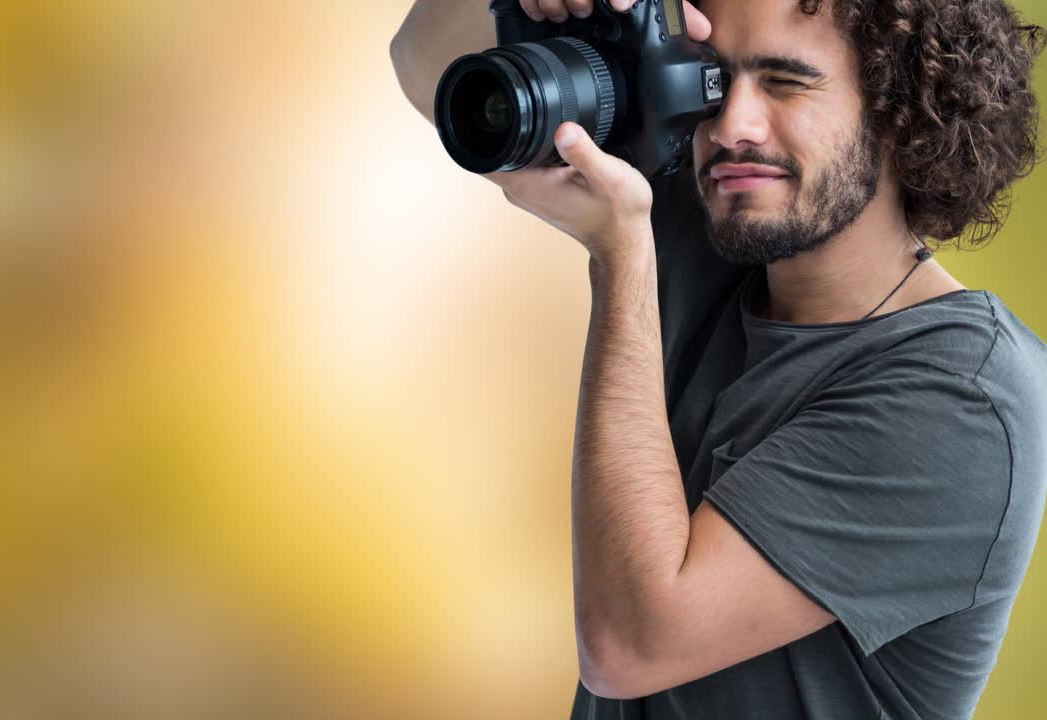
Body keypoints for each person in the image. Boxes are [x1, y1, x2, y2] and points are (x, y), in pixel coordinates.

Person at [392, 0, 1047, 717]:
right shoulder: (728, 223)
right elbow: (422, 56)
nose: (731, 128)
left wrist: (621, 257)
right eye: (715, 82)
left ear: (905, 110)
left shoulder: (964, 394)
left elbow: (630, 646)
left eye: (785, 83)